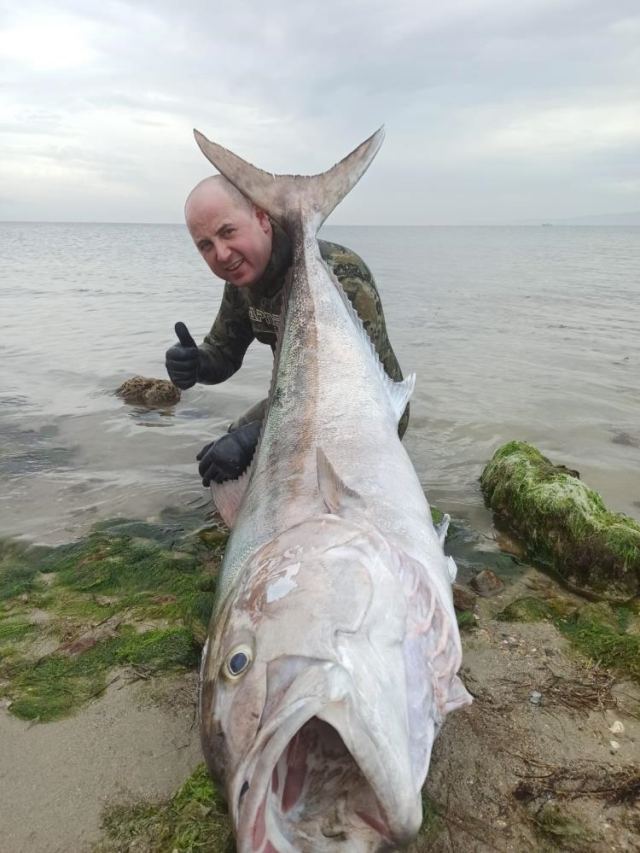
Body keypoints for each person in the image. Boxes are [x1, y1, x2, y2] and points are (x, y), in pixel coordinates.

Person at [166, 175, 408, 487]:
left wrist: (255, 439)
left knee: (267, 455)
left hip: (370, 413)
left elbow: (350, 397)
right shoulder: (243, 281)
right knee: (228, 450)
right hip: (297, 403)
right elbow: (224, 354)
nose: (222, 254)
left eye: (228, 232)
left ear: (261, 217)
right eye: (206, 245)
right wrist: (195, 364)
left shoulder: (341, 273)